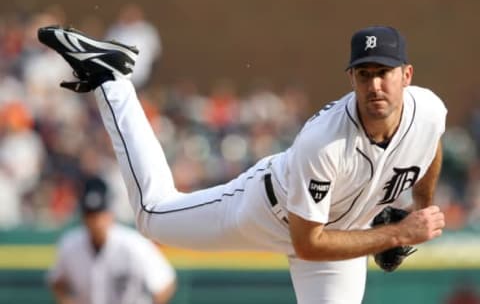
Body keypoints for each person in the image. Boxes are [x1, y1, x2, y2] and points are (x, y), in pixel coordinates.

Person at [38, 25, 446, 304]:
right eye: (364, 73)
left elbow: (431, 144)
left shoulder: (428, 111)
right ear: (351, 79)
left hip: (341, 238)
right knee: (150, 214)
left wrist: (418, 208)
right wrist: (396, 234)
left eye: (385, 73)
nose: (374, 84)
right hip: (268, 214)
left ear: (406, 75)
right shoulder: (324, 141)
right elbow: (309, 244)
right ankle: (111, 79)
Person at [47, 176, 177, 304]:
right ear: (83, 217)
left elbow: (166, 282)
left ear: (110, 214)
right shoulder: (70, 244)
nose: (96, 221)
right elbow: (57, 281)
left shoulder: (134, 244)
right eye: (90, 215)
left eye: (99, 214)